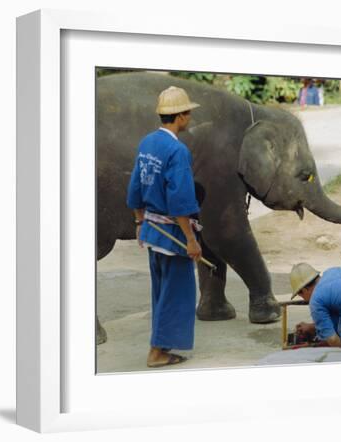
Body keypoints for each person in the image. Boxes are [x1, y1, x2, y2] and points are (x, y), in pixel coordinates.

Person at [126, 86, 202, 368]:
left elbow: (135, 186)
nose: (189, 118)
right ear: (181, 117)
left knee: (160, 292)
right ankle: (157, 352)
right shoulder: (177, 150)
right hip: (172, 237)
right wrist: (191, 240)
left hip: (151, 231)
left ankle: (160, 346)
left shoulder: (147, 143)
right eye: (188, 114)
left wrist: (139, 221)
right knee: (176, 295)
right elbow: (180, 200)